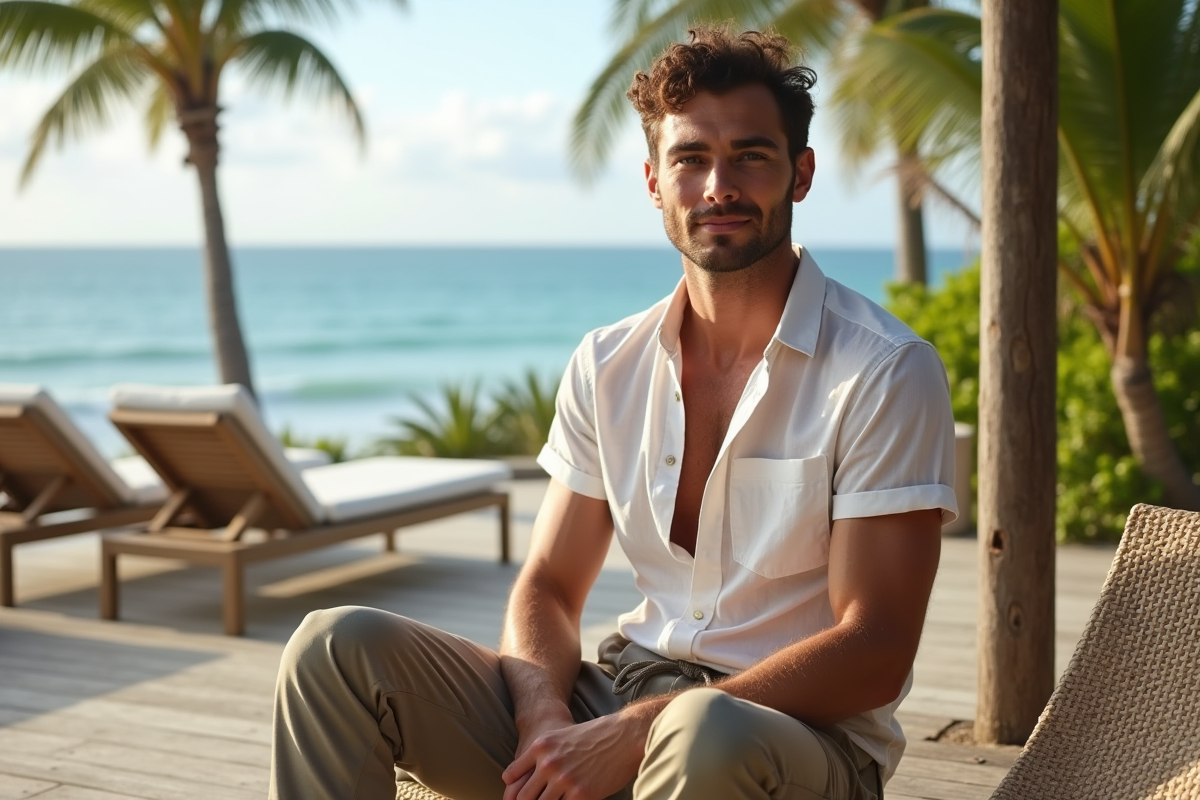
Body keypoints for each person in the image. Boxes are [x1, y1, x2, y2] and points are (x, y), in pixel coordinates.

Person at [270, 24, 957, 800]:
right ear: (654, 181)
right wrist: (544, 721)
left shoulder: (884, 371)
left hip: (795, 742)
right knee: (334, 647)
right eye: (691, 158)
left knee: (704, 730)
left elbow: (876, 647)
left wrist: (644, 730)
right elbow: (550, 590)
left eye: (751, 157)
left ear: (800, 174)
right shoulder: (608, 364)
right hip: (623, 695)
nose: (718, 187)